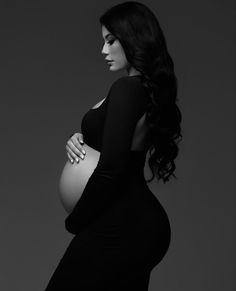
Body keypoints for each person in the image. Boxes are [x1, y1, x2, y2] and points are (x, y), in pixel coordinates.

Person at [44, 1, 182, 290]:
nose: (103, 51)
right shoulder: (141, 89)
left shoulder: (127, 88)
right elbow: (112, 141)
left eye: (111, 41)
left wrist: (76, 222)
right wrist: (79, 137)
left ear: (133, 38)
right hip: (138, 223)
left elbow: (111, 168)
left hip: (122, 223)